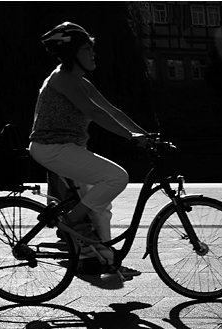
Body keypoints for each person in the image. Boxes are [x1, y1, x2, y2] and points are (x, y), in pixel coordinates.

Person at [28, 22, 149, 277]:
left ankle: (106, 261)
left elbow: (112, 111)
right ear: (72, 53)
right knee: (117, 177)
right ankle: (71, 221)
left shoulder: (80, 81)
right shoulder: (62, 79)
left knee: (101, 205)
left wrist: (146, 136)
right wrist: (131, 137)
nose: (93, 53)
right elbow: (93, 112)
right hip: (52, 148)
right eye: (87, 48)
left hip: (68, 147)